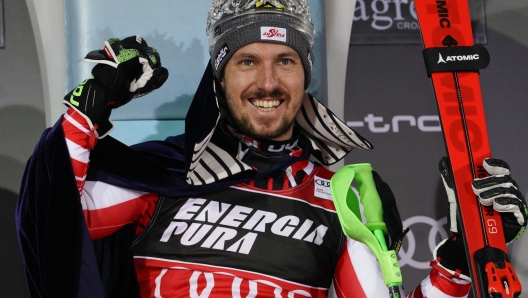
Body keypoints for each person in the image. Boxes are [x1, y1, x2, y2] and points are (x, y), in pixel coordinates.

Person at [16, 0, 527, 297]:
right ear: (218, 75)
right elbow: (52, 222)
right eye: (247, 61)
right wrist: (92, 107)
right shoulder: (167, 172)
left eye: (286, 60)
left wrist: (461, 260)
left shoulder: (337, 196)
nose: (268, 82)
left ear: (306, 75)